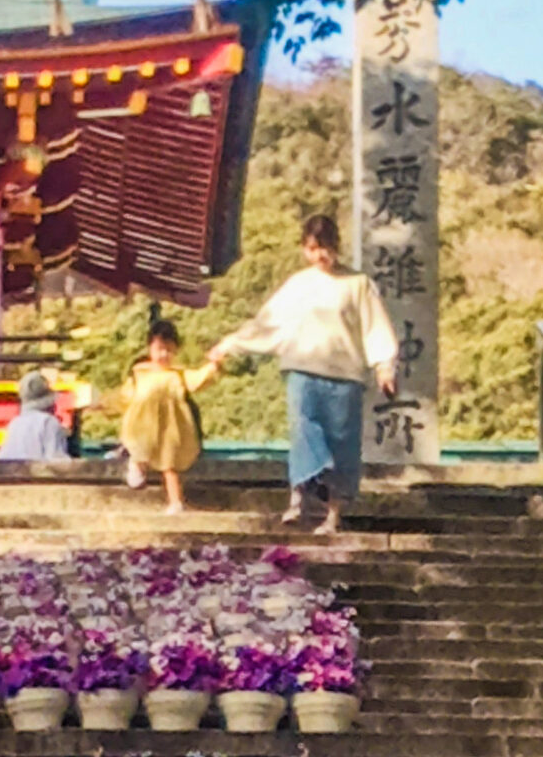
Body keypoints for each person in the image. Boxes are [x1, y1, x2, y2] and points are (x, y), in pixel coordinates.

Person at [206, 213, 399, 535]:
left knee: (341, 445)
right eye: (312, 249)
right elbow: (267, 324)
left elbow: (375, 328)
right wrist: (230, 345)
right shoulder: (298, 284)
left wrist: (384, 367)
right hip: (303, 370)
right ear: (304, 249)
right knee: (303, 429)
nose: (320, 256)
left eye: (325, 248)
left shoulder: (357, 284)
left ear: (336, 247)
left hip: (344, 376)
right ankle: (298, 498)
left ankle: (332, 516)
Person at [92, 316, 213, 513]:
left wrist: (213, 365)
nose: (164, 354)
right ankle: (137, 466)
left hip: (170, 430)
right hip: (143, 426)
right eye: (159, 349)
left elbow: (198, 379)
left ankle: (176, 502)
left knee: (169, 465)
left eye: (168, 349)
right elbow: (123, 397)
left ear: (175, 350)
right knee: (140, 447)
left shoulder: (178, 375)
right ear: (150, 349)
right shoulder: (139, 375)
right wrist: (103, 404)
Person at [0, 368, 72, 462]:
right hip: (35, 475)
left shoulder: (15, 423)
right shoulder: (48, 422)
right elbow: (57, 461)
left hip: (12, 474)